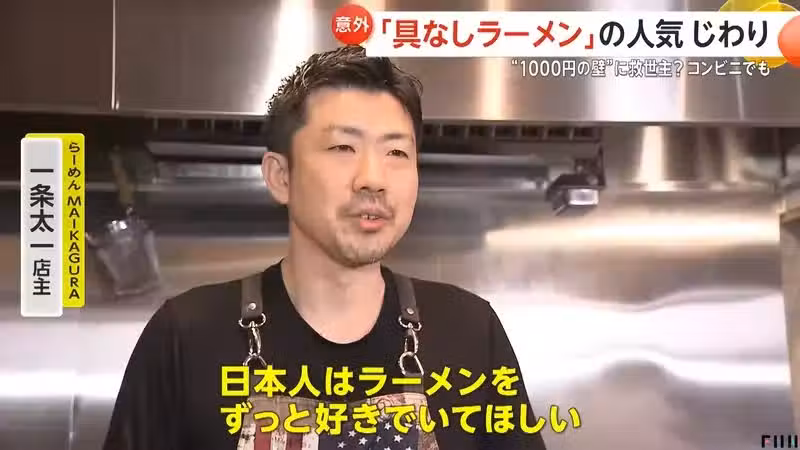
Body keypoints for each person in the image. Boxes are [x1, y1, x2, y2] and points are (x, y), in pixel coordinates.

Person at [103, 46, 547, 450]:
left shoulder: (471, 331)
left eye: (396, 153)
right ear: (281, 177)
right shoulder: (185, 337)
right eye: (343, 147)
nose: (373, 178)